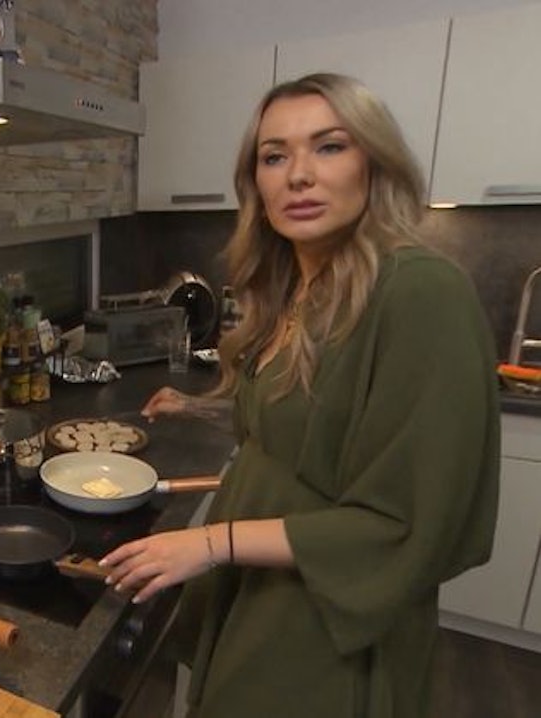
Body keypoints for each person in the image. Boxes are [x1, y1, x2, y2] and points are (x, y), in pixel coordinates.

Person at [99, 73, 500, 718]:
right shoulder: (299, 289)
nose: (299, 175)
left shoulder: (421, 292)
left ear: (376, 162)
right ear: (255, 180)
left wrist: (208, 544)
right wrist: (203, 405)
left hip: (331, 618)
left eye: (330, 146)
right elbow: (318, 427)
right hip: (260, 591)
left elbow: (409, 524)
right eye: (275, 155)